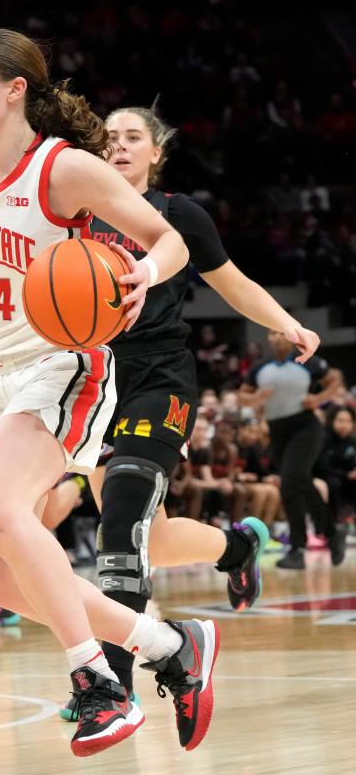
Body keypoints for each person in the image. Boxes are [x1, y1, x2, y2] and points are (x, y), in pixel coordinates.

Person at [0, 27, 217, 757]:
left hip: (61, 365)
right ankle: (170, 645)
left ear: (14, 90)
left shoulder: (63, 170)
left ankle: (98, 682)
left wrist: (143, 276)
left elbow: (170, 240)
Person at [56, 104, 320, 722]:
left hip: (159, 379)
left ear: (155, 154)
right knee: (156, 535)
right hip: (92, 383)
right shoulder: (72, 215)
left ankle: (109, 686)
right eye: (108, 138)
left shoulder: (178, 215)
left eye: (131, 138)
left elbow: (233, 284)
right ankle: (235, 548)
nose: (117, 146)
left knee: (120, 526)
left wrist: (287, 324)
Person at [240, 330, 343, 569]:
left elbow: (335, 380)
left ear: (290, 336)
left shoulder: (307, 360)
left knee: (290, 482)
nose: (276, 337)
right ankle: (330, 532)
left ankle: (298, 547)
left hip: (305, 426)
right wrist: (255, 398)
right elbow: (242, 396)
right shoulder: (260, 367)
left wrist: (319, 399)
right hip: (277, 430)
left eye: (280, 333)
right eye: (271, 333)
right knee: (297, 483)